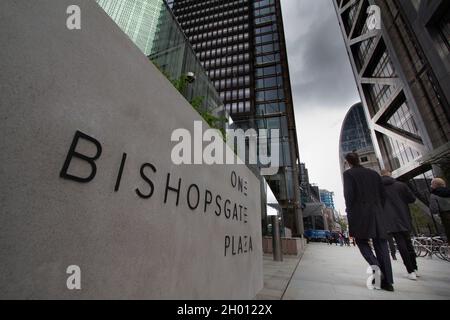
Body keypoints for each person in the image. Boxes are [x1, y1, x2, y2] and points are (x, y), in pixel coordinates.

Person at [343, 152, 394, 291]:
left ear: (348, 162)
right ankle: (387, 283)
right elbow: (383, 195)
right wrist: (379, 209)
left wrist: (349, 210)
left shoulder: (348, 174)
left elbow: (349, 195)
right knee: (381, 245)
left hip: (359, 213)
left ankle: (376, 269)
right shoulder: (374, 174)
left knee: (361, 241)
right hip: (377, 213)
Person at [380, 170, 418, 280]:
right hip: (404, 217)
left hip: (390, 221)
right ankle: (414, 268)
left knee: (401, 244)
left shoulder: (379, 189)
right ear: (390, 174)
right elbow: (412, 199)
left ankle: (410, 270)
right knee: (408, 242)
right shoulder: (401, 185)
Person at [429, 178, 450, 242]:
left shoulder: (433, 195)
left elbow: (434, 209)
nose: (431, 186)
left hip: (446, 218)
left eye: (431, 184)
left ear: (435, 185)